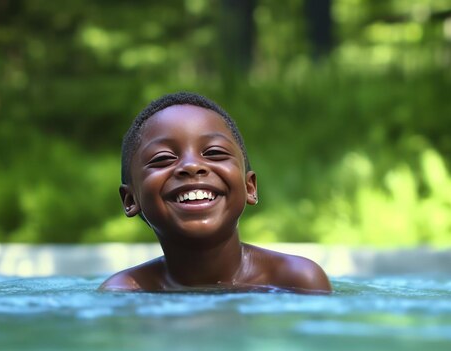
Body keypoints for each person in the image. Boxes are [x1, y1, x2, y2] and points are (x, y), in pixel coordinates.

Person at [99, 92, 332, 294]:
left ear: (249, 187)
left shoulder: (296, 281)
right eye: (163, 159)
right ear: (130, 200)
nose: (191, 166)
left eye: (214, 153)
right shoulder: (125, 293)